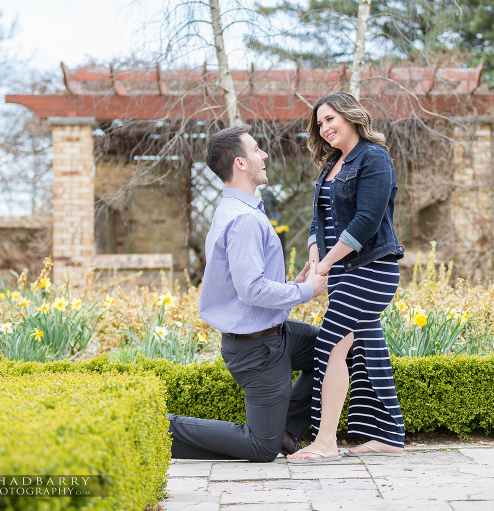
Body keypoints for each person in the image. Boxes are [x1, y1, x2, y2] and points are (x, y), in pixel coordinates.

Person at [167, 124, 327, 462]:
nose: (264, 155)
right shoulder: (243, 220)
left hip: (273, 336)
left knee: (332, 348)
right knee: (262, 447)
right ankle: (161, 428)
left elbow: (248, 283)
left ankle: (286, 431)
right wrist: (306, 291)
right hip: (256, 350)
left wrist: (292, 284)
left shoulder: (241, 211)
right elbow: (251, 290)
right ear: (240, 163)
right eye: (256, 150)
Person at [287, 92, 406, 462]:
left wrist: (326, 264)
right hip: (342, 272)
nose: (324, 128)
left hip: (372, 269)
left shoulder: (374, 158)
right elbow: (317, 221)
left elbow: (366, 221)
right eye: (319, 123)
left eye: (330, 119)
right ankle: (388, 434)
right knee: (368, 351)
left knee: (329, 345)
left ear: (351, 116)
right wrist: (314, 259)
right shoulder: (330, 167)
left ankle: (325, 441)